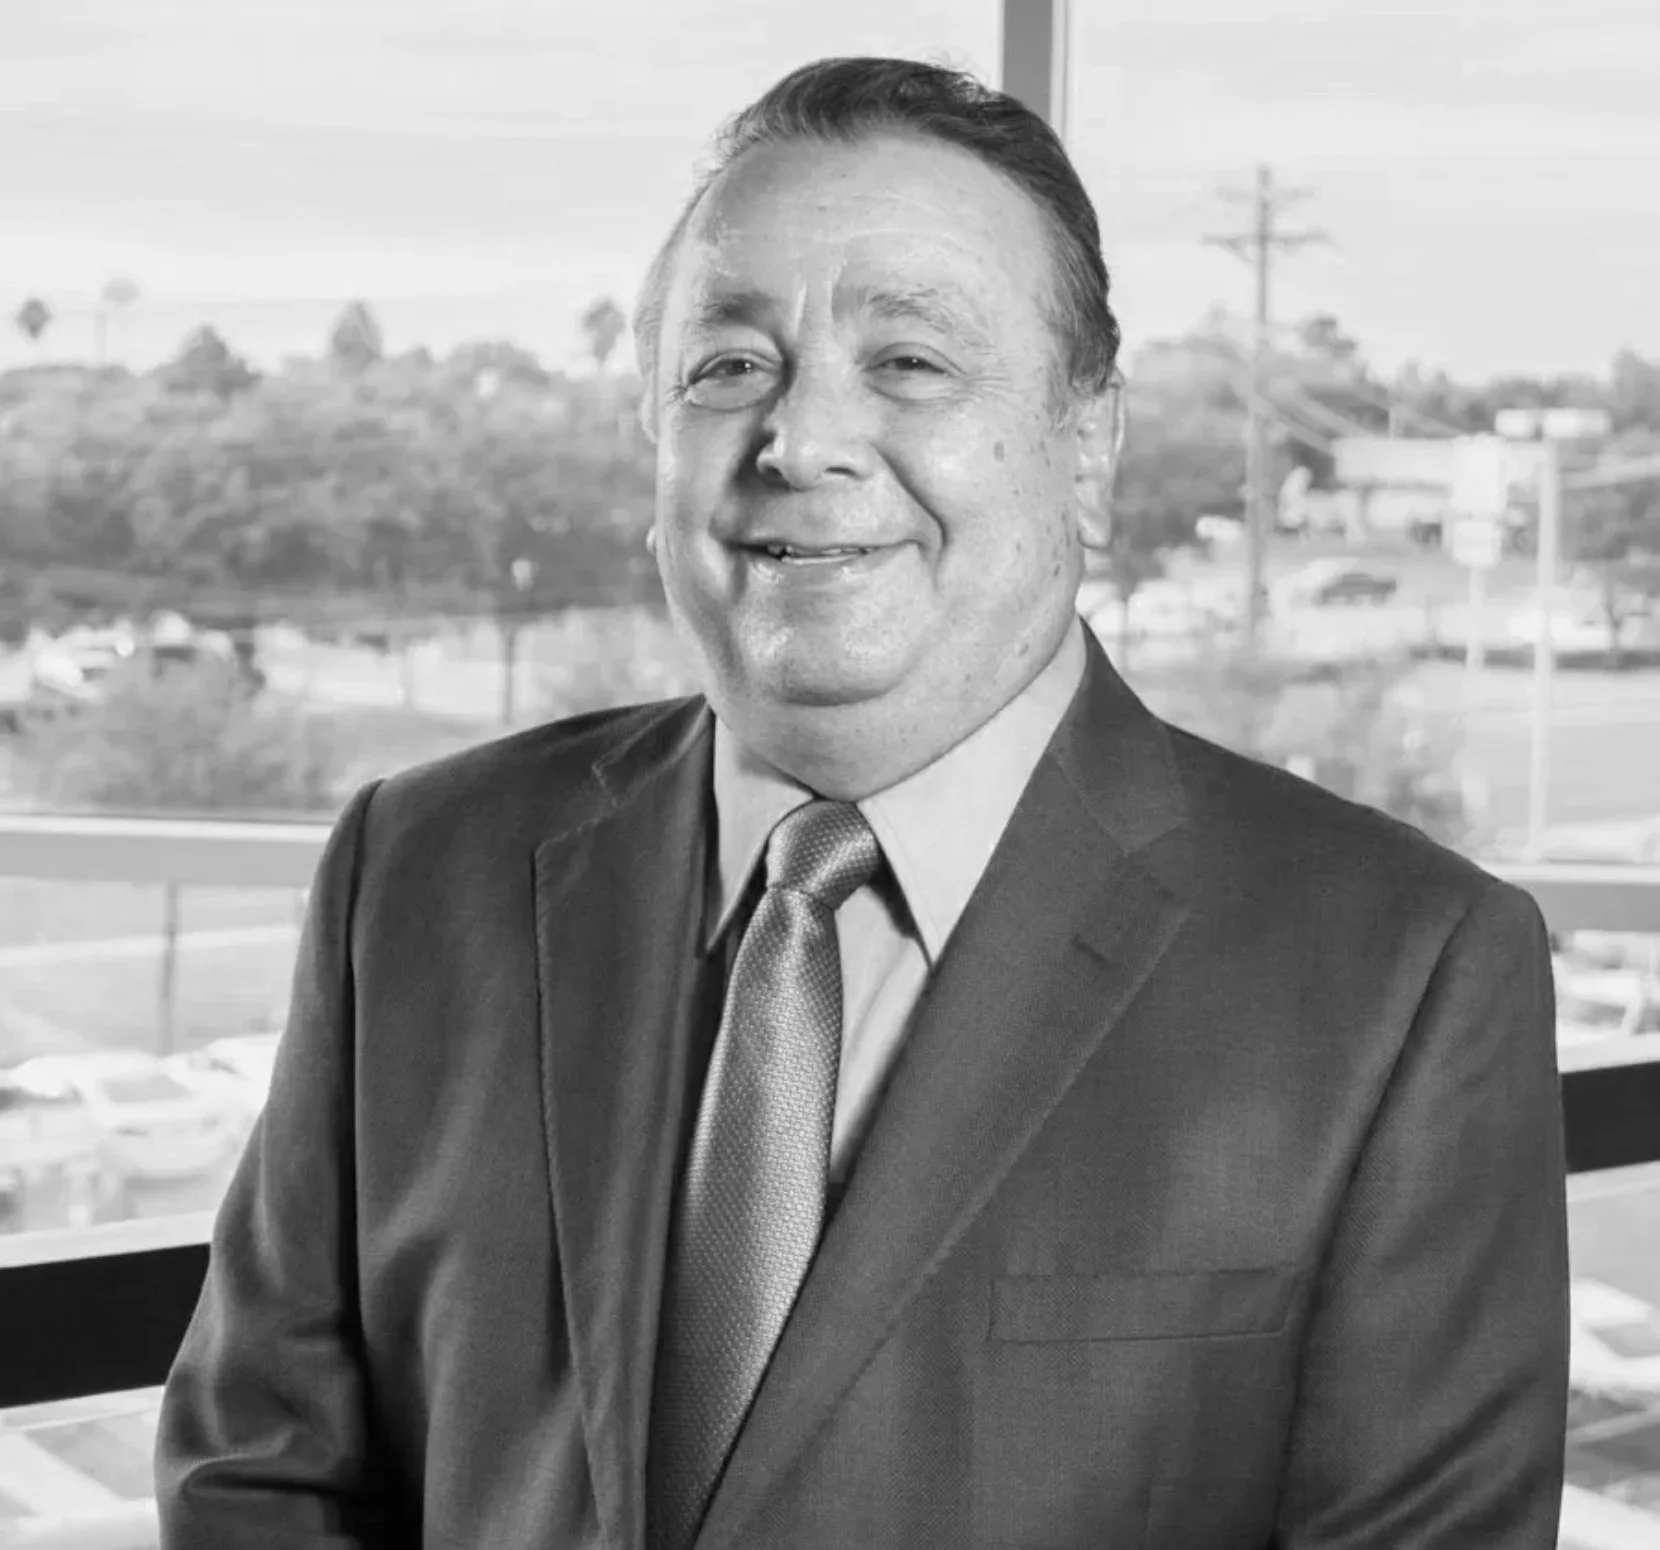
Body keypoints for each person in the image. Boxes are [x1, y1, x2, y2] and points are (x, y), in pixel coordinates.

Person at [155, 56, 1568, 1550]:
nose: (801, 440)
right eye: (728, 367)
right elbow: (263, 1469)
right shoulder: (419, 870)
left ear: (1089, 449)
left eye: (909, 362)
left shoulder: (1401, 972)